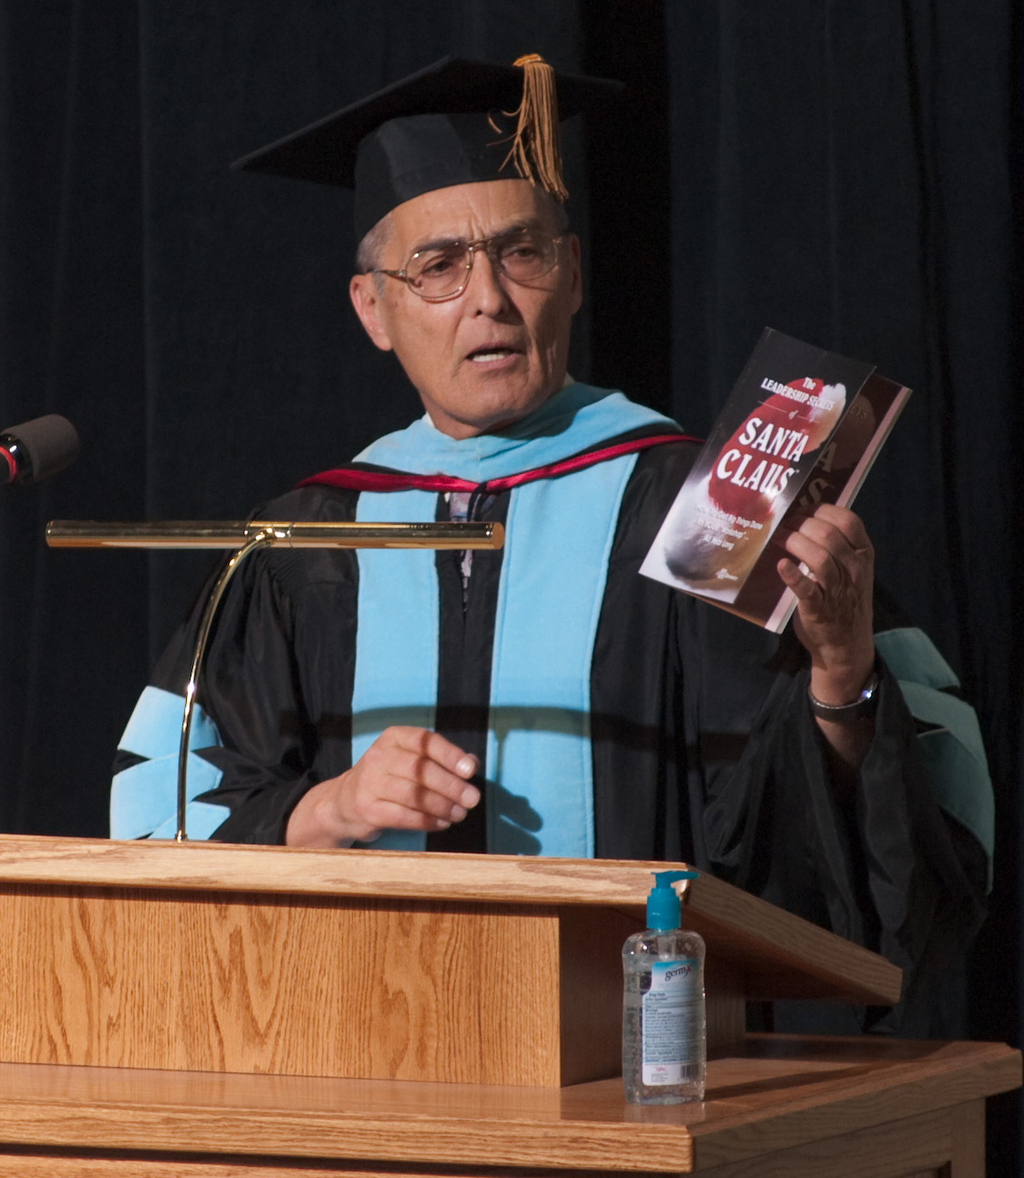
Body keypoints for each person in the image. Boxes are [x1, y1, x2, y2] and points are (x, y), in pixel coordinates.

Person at [111, 56, 991, 1032]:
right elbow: (168, 807)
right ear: (373, 309)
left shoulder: (704, 508)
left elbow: (827, 858)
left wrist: (839, 669)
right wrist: (331, 805)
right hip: (358, 1041)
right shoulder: (301, 543)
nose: (487, 297)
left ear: (570, 274)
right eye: (437, 266)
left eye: (520, 254)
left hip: (637, 1062)